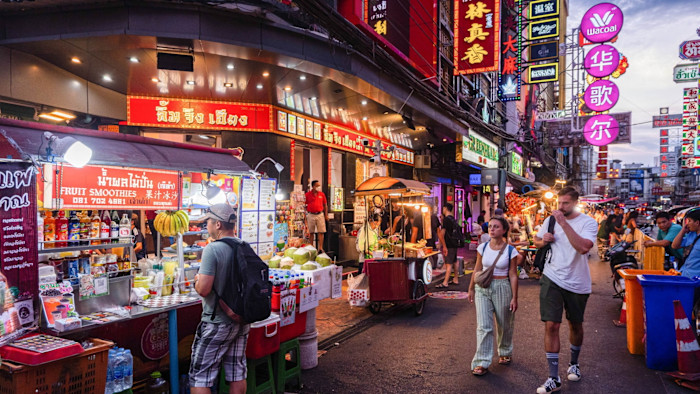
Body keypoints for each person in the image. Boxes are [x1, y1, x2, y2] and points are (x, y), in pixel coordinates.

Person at [534, 187, 597, 393]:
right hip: (552, 277)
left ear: (576, 203)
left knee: (575, 325)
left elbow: (583, 247)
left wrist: (563, 223)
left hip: (578, 282)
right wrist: (543, 240)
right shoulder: (550, 220)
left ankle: (574, 363)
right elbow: (536, 240)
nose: (560, 207)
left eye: (566, 203)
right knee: (551, 325)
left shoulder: (588, 222)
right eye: (559, 203)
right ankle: (553, 377)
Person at [190, 204, 249, 394]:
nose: (206, 225)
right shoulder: (244, 245)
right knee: (237, 372)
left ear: (217, 224)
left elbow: (204, 290)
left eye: (208, 221)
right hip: (241, 319)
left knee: (201, 377)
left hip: (217, 322)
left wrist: (197, 280)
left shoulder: (212, 250)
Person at [467, 216, 520, 376]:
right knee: (484, 326)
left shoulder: (511, 250)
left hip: (502, 286)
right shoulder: (482, 248)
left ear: (504, 230)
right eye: (490, 226)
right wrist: (471, 289)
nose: (492, 229)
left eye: (496, 227)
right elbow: (477, 269)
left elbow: (513, 274)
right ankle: (482, 362)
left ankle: (505, 351)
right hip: (483, 288)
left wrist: (514, 297)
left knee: (504, 323)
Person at [436, 203, 460, 288]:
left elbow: (442, 234)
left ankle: (445, 282)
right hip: (455, 243)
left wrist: (443, 245)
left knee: (448, 263)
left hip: (449, 244)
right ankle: (455, 279)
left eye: (443, 208)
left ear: (445, 208)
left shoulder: (446, 220)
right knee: (454, 260)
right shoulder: (453, 219)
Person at [305, 180, 328, 252]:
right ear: (313, 186)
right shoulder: (307, 194)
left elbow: (325, 205)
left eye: (319, 186)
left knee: (321, 231)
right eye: (317, 186)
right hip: (311, 214)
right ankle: (311, 247)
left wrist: (326, 215)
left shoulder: (322, 194)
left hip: (320, 214)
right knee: (311, 232)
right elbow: (304, 205)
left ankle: (320, 248)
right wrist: (305, 216)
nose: (319, 187)